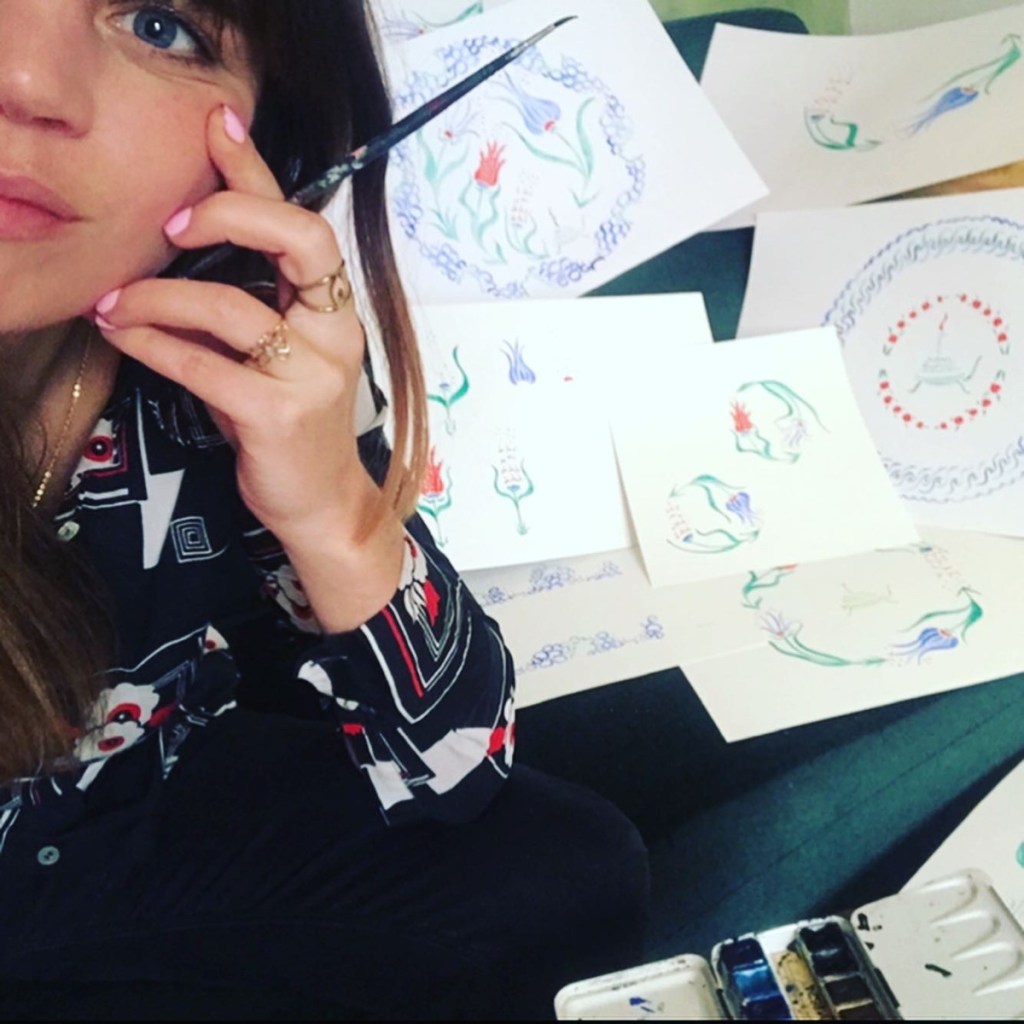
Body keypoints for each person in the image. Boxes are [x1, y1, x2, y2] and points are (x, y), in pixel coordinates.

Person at [0, 2, 649, 1018]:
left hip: (95, 839)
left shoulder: (232, 353)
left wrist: (331, 507)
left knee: (567, 867)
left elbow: (456, 764)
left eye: (161, 26)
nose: (29, 83)